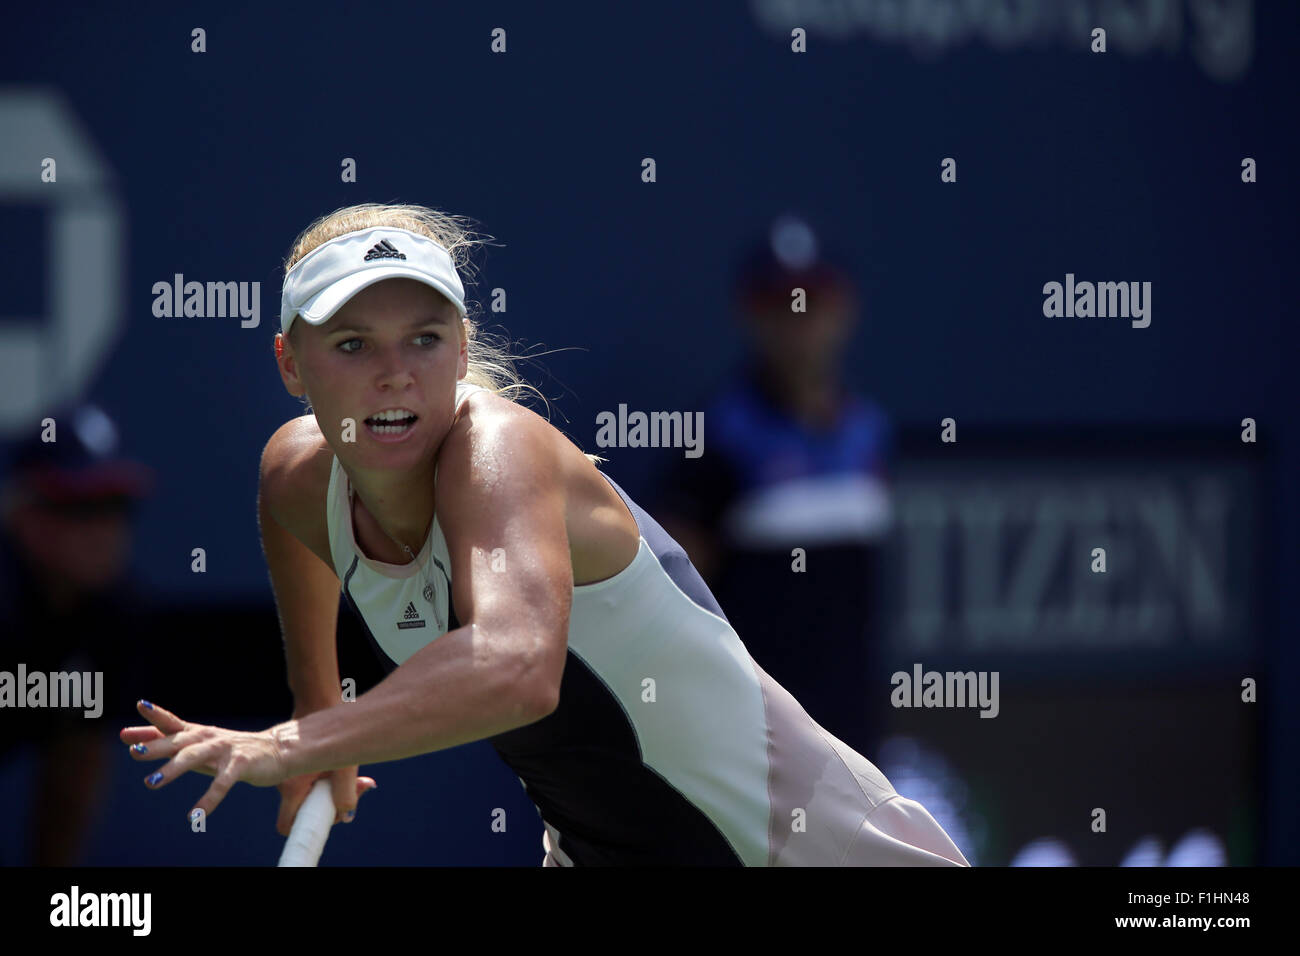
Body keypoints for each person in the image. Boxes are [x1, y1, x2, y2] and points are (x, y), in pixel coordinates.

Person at [120, 202, 968, 866]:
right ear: (290, 365)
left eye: (425, 337)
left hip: (802, 844)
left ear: (462, 350)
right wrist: (317, 711)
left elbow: (517, 669)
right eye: (351, 343)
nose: (394, 371)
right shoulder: (294, 476)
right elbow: (293, 529)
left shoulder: (500, 447)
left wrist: (296, 740)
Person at [653, 214, 894, 761]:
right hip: (758, 743)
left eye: (814, 300)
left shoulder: (870, 434)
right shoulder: (714, 440)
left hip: (859, 740)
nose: (801, 319)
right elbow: (671, 600)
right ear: (752, 314)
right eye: (783, 303)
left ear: (844, 310)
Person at [1, 403, 154, 865]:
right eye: (79, 507)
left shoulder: (114, 613)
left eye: (113, 506)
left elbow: (75, 763)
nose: (102, 530)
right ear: (24, 515)